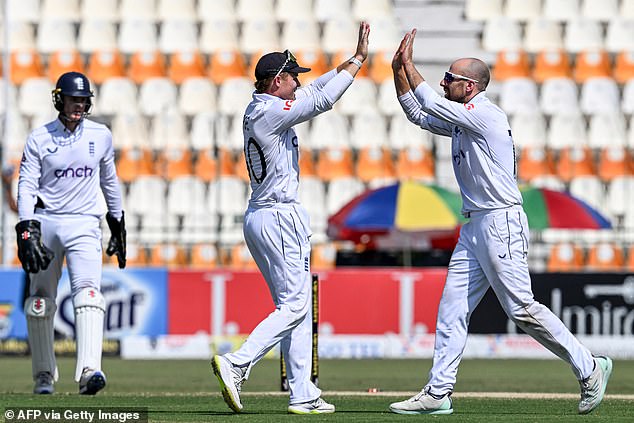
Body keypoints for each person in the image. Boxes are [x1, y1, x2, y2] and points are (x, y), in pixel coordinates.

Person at [388, 30, 612, 415]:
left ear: (470, 86)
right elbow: (417, 114)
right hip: (474, 226)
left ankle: (590, 367)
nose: (443, 83)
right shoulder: (462, 119)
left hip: (500, 222)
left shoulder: (486, 115)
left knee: (521, 308)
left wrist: (410, 66)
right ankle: (438, 392)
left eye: (450, 79)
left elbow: (429, 102)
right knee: (452, 309)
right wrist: (397, 71)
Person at [211, 22, 370, 415]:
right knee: (296, 306)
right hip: (278, 215)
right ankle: (238, 362)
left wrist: (351, 61)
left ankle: (302, 392)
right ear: (276, 80)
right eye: (293, 79)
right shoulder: (268, 111)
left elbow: (314, 92)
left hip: (265, 214)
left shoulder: (263, 108)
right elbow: (321, 101)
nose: (298, 84)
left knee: (291, 304)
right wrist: (361, 62)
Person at [16, 71, 126, 395]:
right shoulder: (39, 138)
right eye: (72, 99)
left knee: (90, 294)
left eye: (82, 100)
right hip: (46, 221)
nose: (77, 106)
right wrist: (26, 229)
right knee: (39, 303)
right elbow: (26, 186)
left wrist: (117, 224)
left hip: (84, 223)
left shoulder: (100, 135)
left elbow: (110, 182)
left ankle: (90, 371)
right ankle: (43, 376)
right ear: (59, 100)